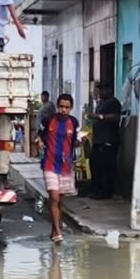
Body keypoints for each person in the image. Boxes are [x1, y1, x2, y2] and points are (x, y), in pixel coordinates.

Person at [36, 93, 80, 244]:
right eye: (61, 106)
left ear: (71, 108)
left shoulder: (74, 123)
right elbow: (39, 135)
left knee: (60, 200)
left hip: (66, 166)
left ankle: (55, 229)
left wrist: (80, 142)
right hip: (49, 164)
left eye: (66, 107)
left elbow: (74, 142)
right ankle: (58, 232)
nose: (63, 110)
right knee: (54, 197)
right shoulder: (49, 120)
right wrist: (39, 141)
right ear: (57, 106)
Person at [87, 82, 122, 200]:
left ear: (109, 90)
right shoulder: (101, 103)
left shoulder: (113, 102)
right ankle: (97, 189)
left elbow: (116, 117)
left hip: (109, 140)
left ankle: (106, 192)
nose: (100, 92)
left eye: (103, 90)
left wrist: (100, 117)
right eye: (99, 89)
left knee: (107, 167)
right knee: (95, 165)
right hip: (98, 140)